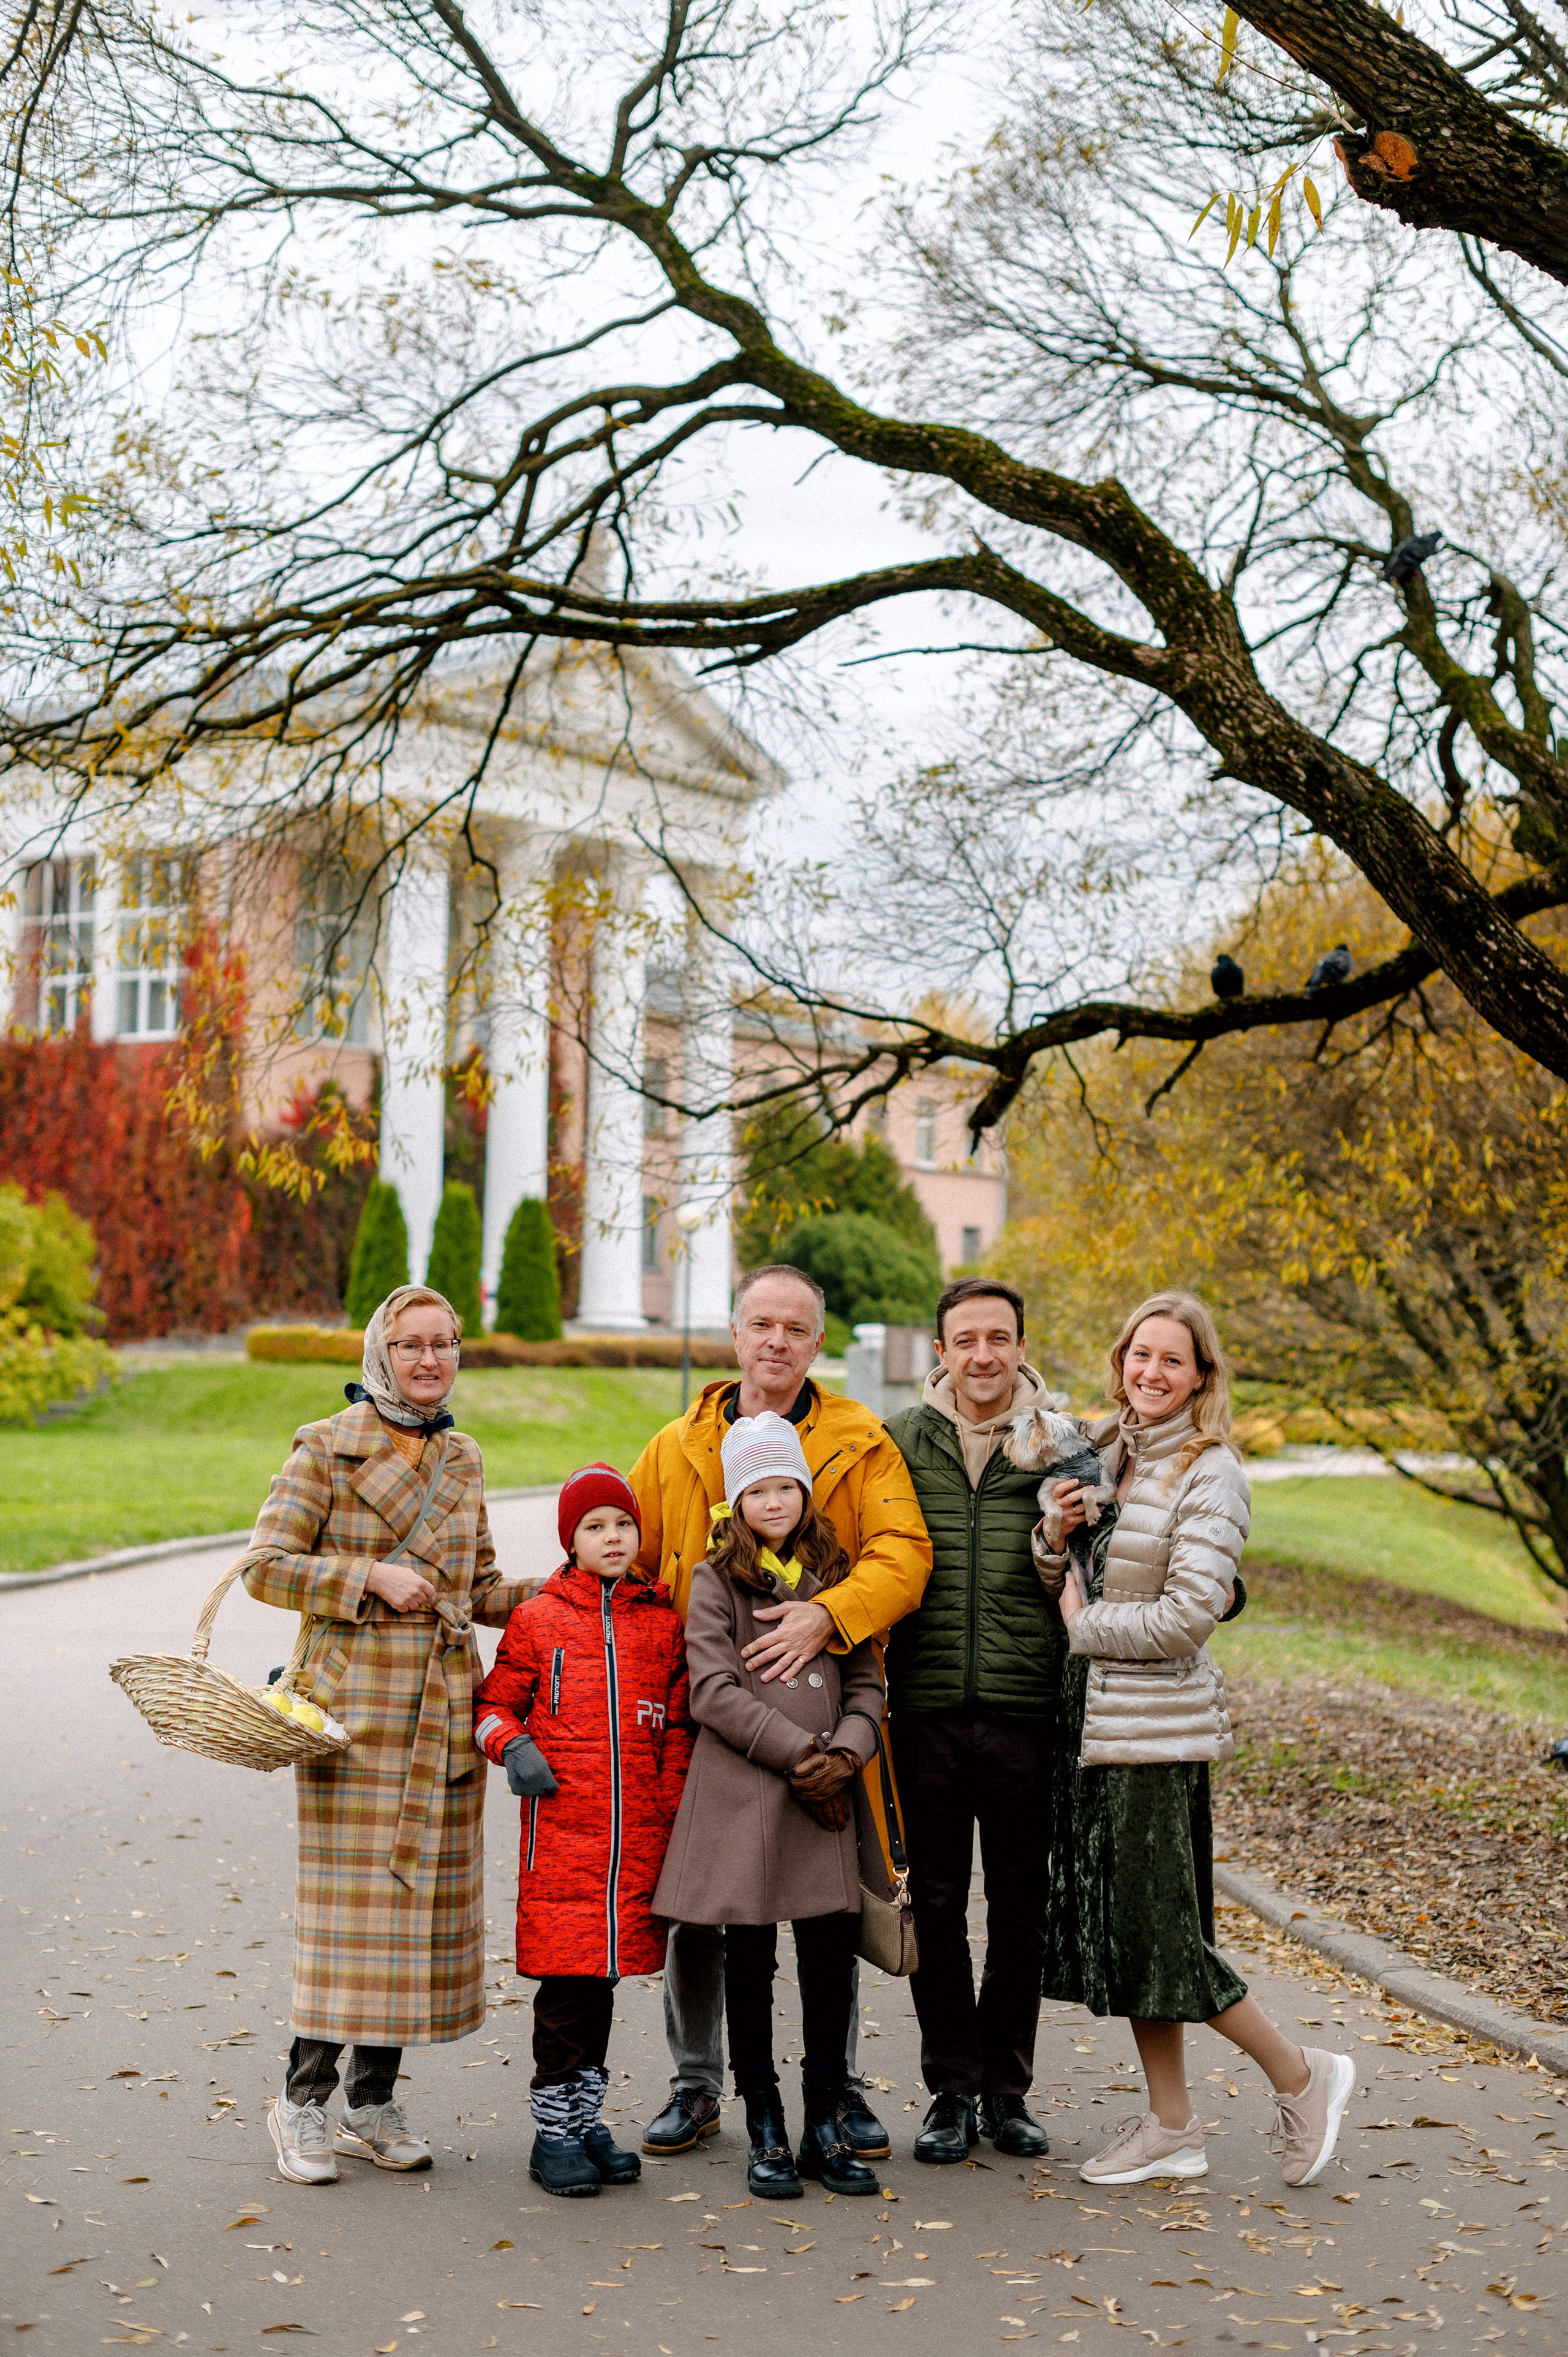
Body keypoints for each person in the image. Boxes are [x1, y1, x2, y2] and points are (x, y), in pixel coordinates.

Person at [1041, 1290, 1356, 2188]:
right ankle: (1171, 2125)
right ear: (1121, 1359)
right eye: (1141, 1355)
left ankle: (1303, 2075)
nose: (1152, 1373)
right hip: (1092, 1723)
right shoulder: (1103, 1451)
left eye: (1172, 1360)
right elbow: (1062, 1566)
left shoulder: (1213, 1472)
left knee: (1164, 1936)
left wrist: (1082, 1620)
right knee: (1130, 1935)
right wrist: (1051, 1535)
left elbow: (1186, 1619)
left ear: (1202, 1375)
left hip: (1155, 1735)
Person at [629, 1262, 931, 2160]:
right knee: (701, 1906)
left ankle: (833, 2092)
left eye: (796, 1329)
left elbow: (904, 1555)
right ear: (735, 1333)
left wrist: (826, 1614)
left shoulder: (859, 1439)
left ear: (816, 1343)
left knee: (828, 1904)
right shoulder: (676, 1445)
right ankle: (697, 2083)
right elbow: (634, 1569)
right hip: (712, 1722)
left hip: (822, 1714)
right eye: (762, 1323)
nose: (777, 1342)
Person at [241, 1284, 528, 2186]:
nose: (431, 1360)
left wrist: (566, 1587)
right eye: (412, 1345)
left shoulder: (465, 1457)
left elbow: (478, 1587)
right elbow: (264, 1568)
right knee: (348, 1923)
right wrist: (367, 1576)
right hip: (352, 1721)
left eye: (445, 1344)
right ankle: (301, 2106)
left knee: (412, 1923)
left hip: (441, 1715)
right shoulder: (326, 1448)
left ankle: (372, 2102)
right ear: (380, 1353)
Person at [653, 1412, 885, 2199]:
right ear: (736, 1500)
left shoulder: (836, 1573)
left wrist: (849, 1750)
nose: (775, 1499)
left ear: (805, 1492)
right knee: (747, 1965)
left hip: (828, 1803)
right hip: (752, 1791)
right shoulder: (717, 1580)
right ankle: (764, 2124)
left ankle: (825, 2121)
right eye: (757, 1488)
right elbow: (712, 1691)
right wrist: (802, 1755)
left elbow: (868, 1684)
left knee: (827, 1965)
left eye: (786, 1484)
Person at [881, 1277, 1065, 2164]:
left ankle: (1009, 2091)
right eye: (966, 1339)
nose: (984, 1354)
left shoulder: (1063, 1445)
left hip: (1029, 1709)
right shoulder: (899, 1442)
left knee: (1023, 1909)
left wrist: (1223, 1587)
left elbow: (1127, 1541)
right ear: (941, 1350)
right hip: (924, 1712)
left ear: (1022, 1347)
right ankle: (952, 2089)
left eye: (1000, 1337)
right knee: (941, 1906)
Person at [472, 1464, 692, 2196]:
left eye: (622, 1524)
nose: (611, 1537)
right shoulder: (539, 1617)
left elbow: (680, 1726)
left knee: (602, 1986)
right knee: (567, 1992)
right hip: (564, 1840)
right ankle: (555, 2132)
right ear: (571, 1539)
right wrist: (514, 1745)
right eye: (594, 1526)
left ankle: (583, 2115)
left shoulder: (662, 1625)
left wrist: (672, 1805)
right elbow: (492, 1704)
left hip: (636, 1842)